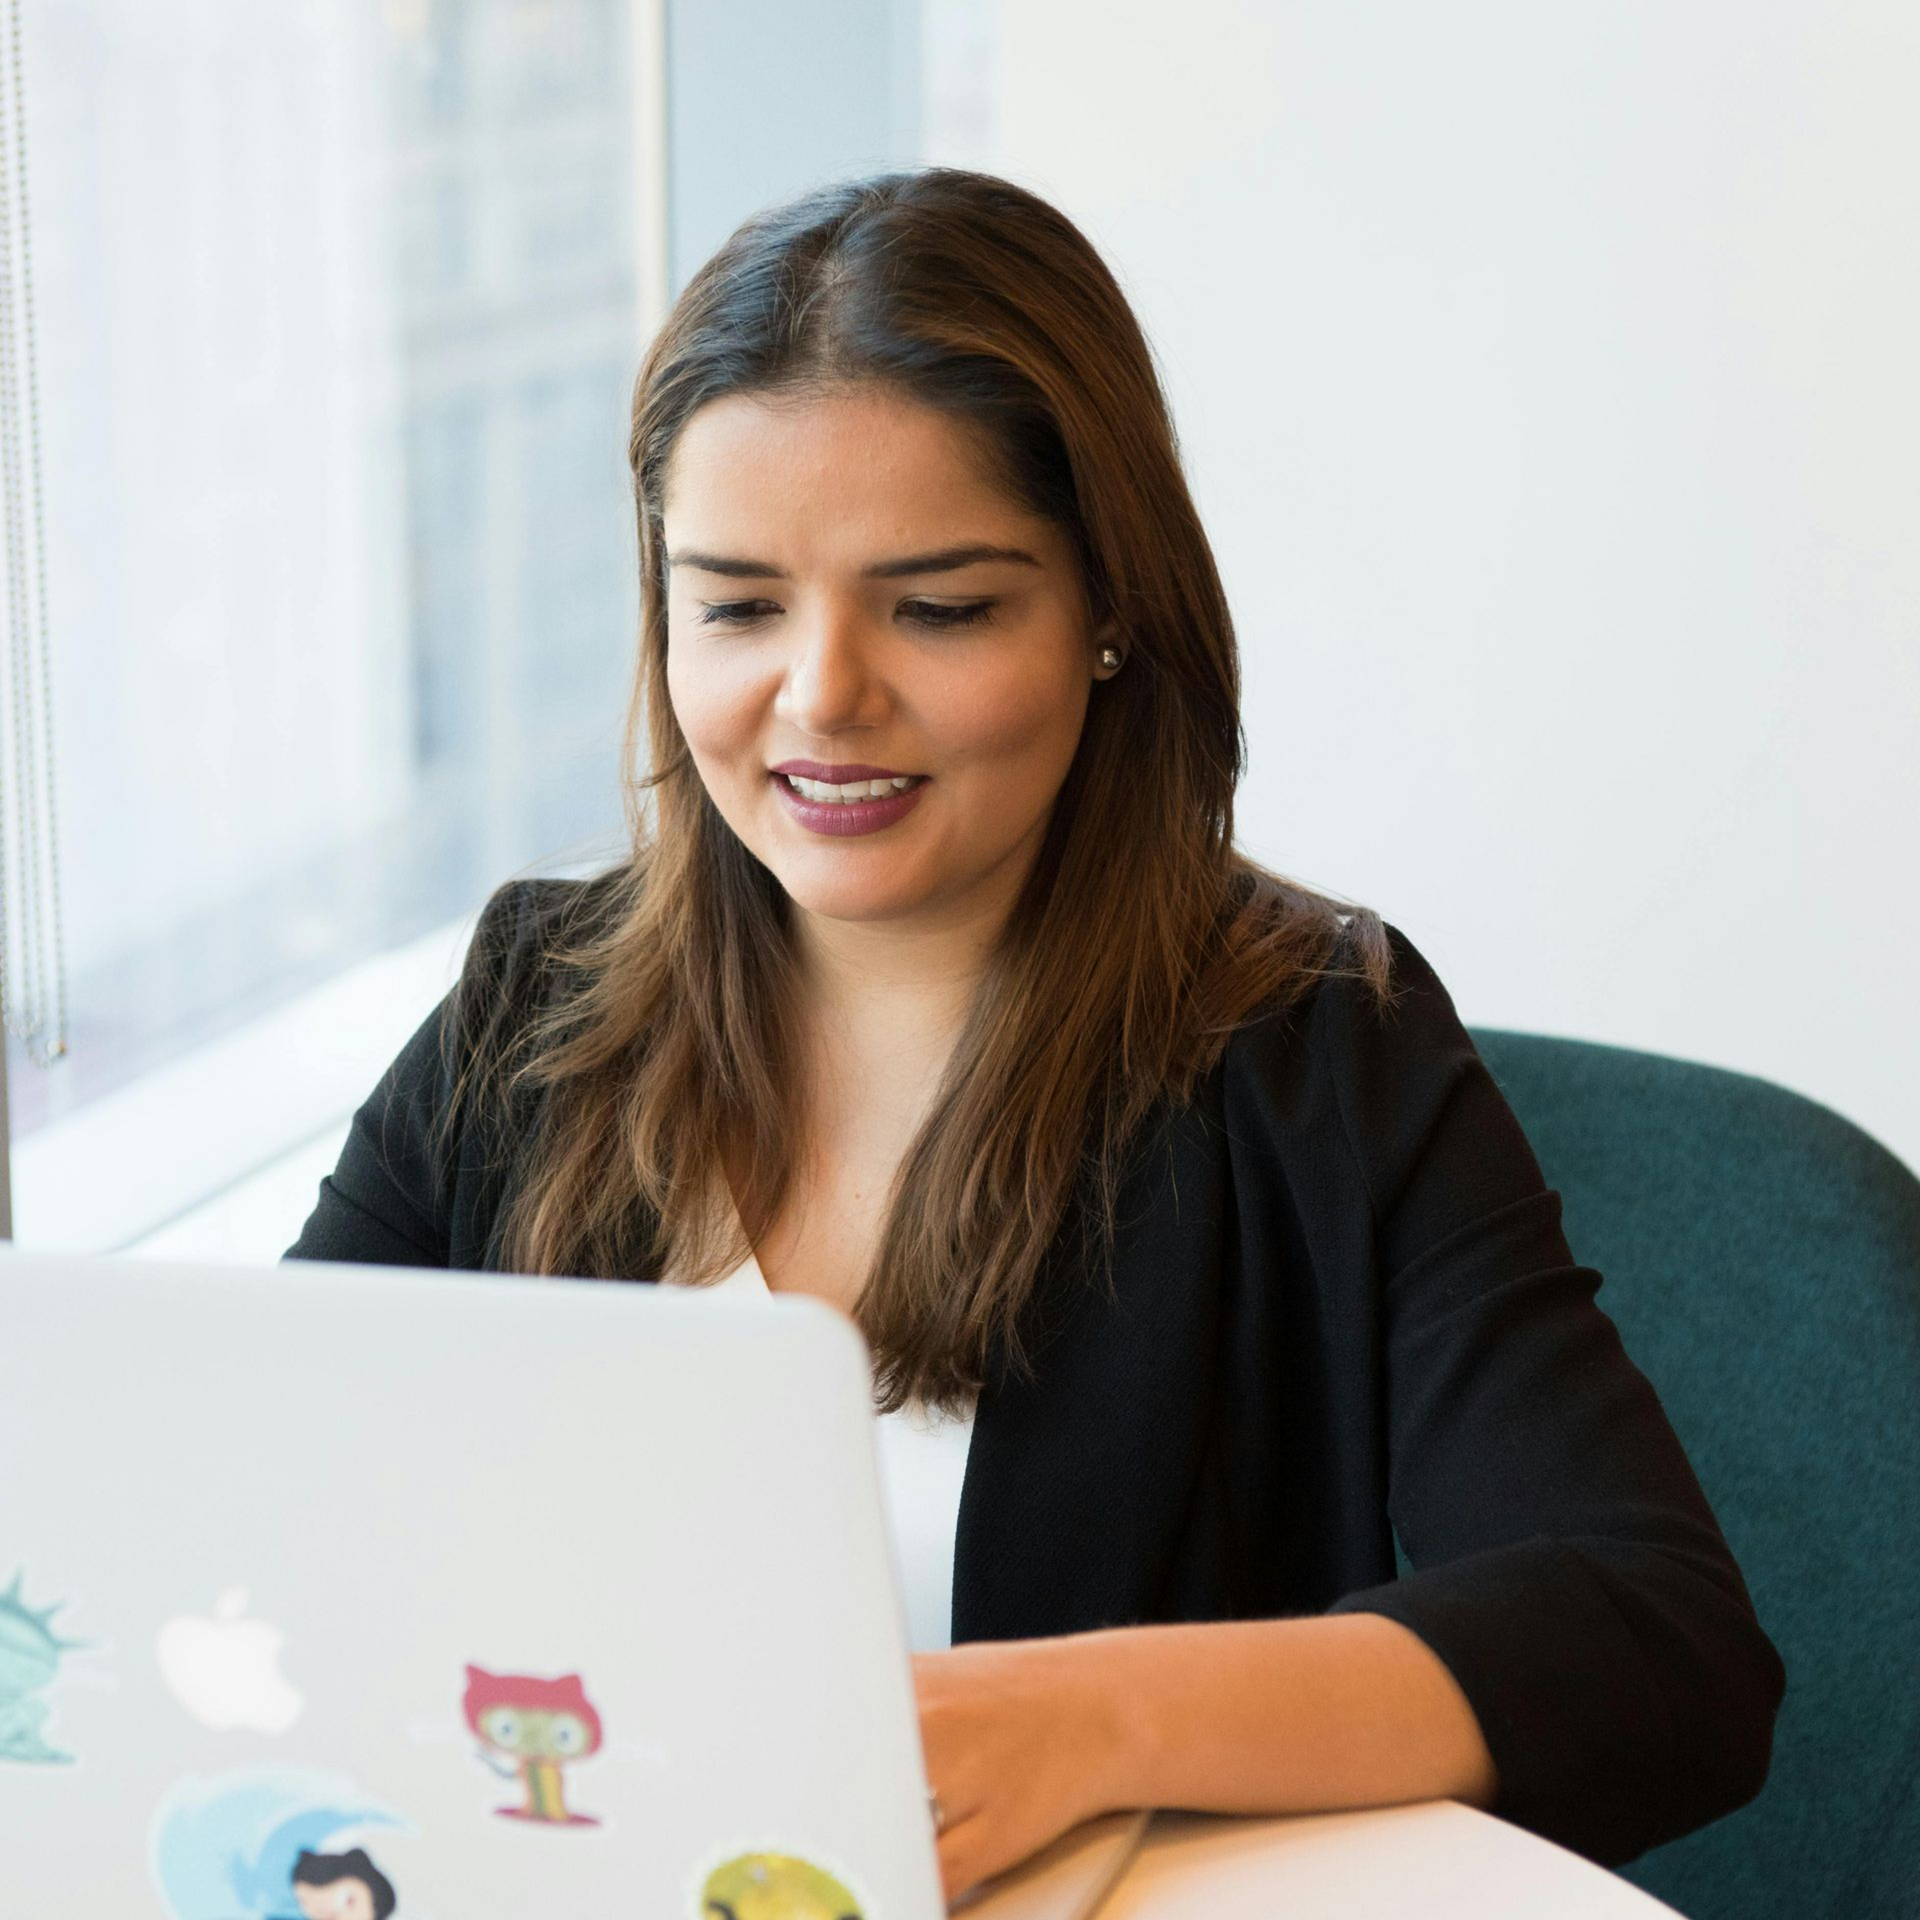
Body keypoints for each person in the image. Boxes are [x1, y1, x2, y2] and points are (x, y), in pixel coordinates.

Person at [284, 166, 1784, 1907]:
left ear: (1108, 615)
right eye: (739, 605)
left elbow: (1656, 1640)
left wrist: (1079, 1724)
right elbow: (258, 1506)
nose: (823, 695)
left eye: (941, 607)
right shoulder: (529, 1012)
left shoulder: (1315, 1051)